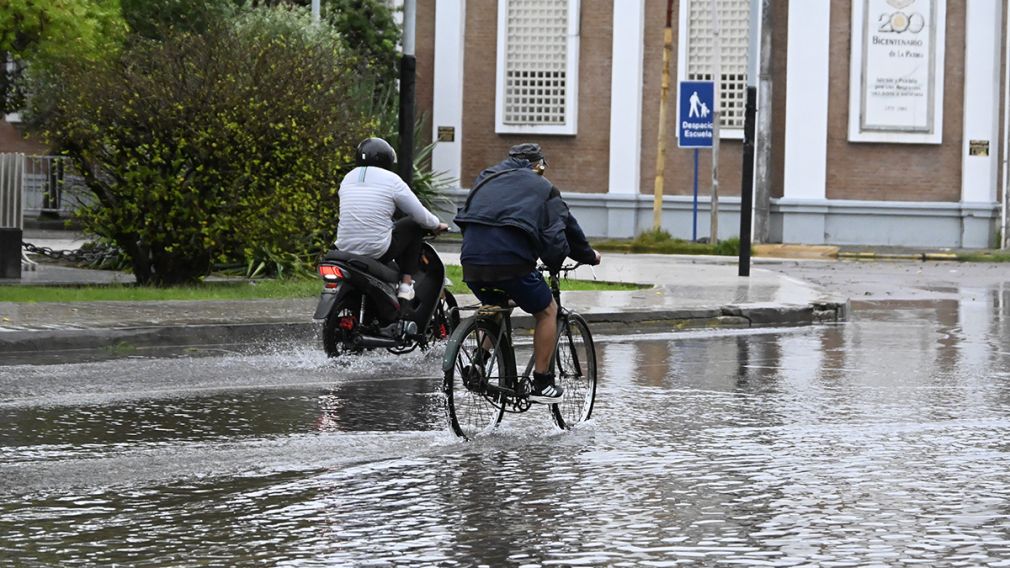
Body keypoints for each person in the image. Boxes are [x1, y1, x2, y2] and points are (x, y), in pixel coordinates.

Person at [453, 143, 601, 403]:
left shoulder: (486, 178)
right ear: (538, 166)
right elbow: (564, 230)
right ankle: (542, 382)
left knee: (497, 304)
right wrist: (588, 256)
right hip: (511, 263)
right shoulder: (543, 188)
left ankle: (478, 364)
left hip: (472, 261)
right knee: (548, 311)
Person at [336, 137, 448, 301]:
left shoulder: (348, 178)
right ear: (386, 160)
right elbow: (418, 214)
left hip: (344, 248)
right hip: (377, 250)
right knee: (414, 224)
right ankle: (406, 284)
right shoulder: (391, 179)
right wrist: (436, 224)